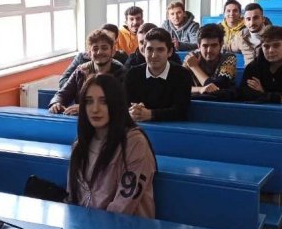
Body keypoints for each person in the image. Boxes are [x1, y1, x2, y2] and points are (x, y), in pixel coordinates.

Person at [67, 74, 156, 218]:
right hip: (85, 225)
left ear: (116, 104)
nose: (95, 109)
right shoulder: (80, 145)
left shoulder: (134, 143)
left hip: (125, 227)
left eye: (104, 102)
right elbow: (72, 197)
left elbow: (123, 206)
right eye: (89, 102)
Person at [50, 29, 125, 115]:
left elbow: (120, 105)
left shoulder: (121, 72)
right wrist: (56, 103)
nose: (99, 52)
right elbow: (62, 94)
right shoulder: (81, 71)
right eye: (95, 49)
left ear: (112, 51)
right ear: (89, 54)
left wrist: (85, 108)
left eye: (104, 48)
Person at [124, 28, 192, 121]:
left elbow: (180, 111)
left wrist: (151, 114)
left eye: (160, 50)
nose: (154, 55)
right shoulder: (132, 74)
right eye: (149, 49)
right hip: (138, 125)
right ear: (143, 51)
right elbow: (126, 106)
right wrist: (134, 111)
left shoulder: (182, 75)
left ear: (170, 52)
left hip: (172, 128)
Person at [239, 26, 282, 105]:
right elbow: (244, 94)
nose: (271, 50)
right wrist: (279, 98)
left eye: (276, 45)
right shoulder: (254, 66)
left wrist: (263, 93)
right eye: (266, 46)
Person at [58, 24, 128, 89]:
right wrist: (84, 89)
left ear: (114, 44)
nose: (99, 52)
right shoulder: (81, 62)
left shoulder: (120, 63)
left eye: (105, 47)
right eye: (95, 48)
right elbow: (63, 83)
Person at [183, 24, 237, 100]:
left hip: (222, 103)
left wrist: (194, 67)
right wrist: (200, 89)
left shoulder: (229, 58)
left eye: (214, 45)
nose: (209, 51)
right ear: (198, 46)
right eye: (205, 46)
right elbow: (178, 86)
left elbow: (217, 86)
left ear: (221, 45)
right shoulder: (191, 58)